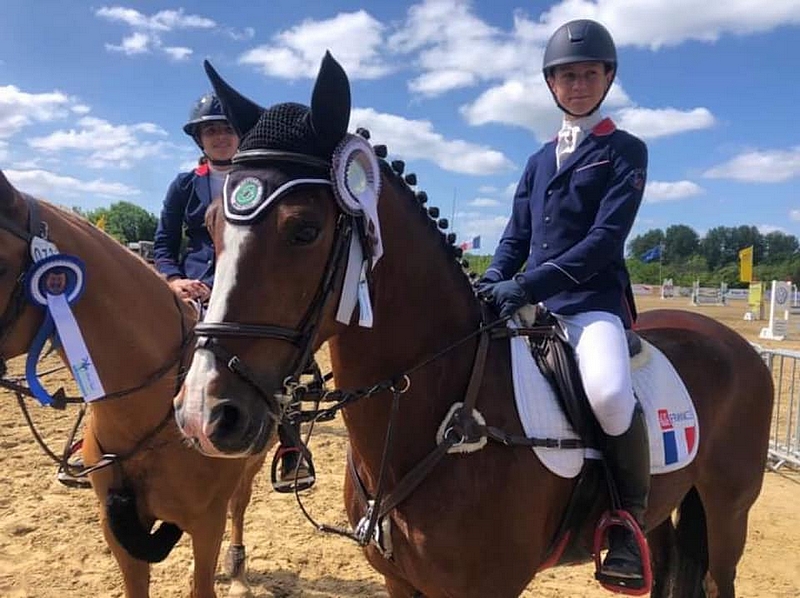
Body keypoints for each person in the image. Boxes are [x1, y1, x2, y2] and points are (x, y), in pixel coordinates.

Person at [477, 19, 650, 586]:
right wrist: (495, 278)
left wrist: (527, 286)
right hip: (536, 307)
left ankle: (627, 520)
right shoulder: (537, 159)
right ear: (552, 84)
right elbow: (514, 236)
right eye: (567, 76)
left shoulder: (624, 151)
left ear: (607, 79)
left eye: (588, 75)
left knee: (608, 393)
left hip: (591, 302)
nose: (577, 85)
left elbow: (604, 241)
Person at [153, 92, 314, 492]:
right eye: (211, 131)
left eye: (226, 130)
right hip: (194, 284)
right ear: (200, 139)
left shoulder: (266, 182)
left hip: (246, 284)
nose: (220, 138)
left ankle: (289, 444)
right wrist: (173, 279)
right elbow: (163, 243)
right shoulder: (185, 186)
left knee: (284, 346)